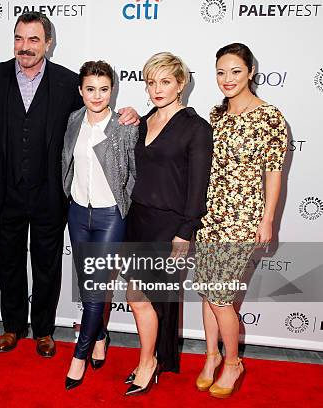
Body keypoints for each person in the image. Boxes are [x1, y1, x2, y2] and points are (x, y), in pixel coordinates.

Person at [0, 11, 139, 357]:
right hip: (6, 193)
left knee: (47, 263)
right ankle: (13, 326)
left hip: (51, 194)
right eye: (19, 38)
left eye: (34, 39)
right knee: (11, 262)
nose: (25, 46)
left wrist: (130, 116)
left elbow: (96, 118)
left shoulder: (66, 82)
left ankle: (44, 330)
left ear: (48, 42)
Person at [194, 43, 287, 399]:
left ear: (250, 72)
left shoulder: (270, 116)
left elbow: (274, 173)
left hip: (243, 218)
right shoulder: (215, 115)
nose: (227, 79)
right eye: (220, 72)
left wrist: (268, 220)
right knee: (207, 292)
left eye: (235, 71)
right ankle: (211, 356)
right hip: (210, 214)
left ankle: (233, 362)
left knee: (220, 296)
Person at [124, 52, 213, 396]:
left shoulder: (196, 128)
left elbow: (197, 186)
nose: (157, 89)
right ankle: (152, 358)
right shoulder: (145, 121)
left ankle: (149, 363)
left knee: (141, 296)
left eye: (165, 81)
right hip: (138, 219)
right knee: (143, 297)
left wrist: (185, 232)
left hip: (169, 226)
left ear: (180, 84)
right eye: (151, 82)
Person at [61, 61, 137, 390]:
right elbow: (67, 160)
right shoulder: (74, 120)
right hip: (78, 213)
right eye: (90, 89)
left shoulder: (124, 125)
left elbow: (135, 172)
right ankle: (101, 336)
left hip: (109, 216)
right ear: (81, 91)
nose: (97, 95)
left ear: (112, 90)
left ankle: (80, 355)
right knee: (86, 283)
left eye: (104, 89)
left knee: (93, 291)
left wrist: (124, 205)